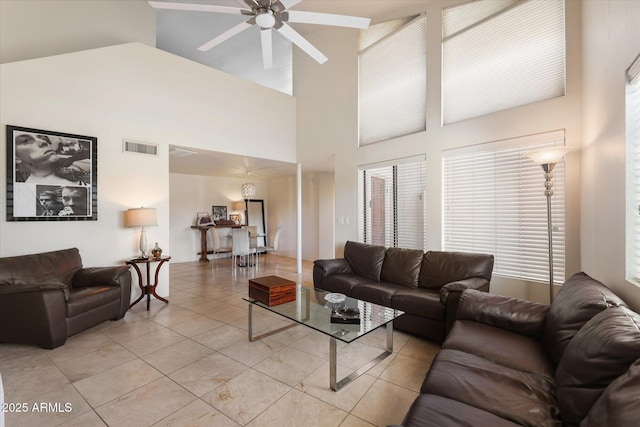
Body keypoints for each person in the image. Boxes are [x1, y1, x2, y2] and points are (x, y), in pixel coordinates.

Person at [14, 133, 90, 185]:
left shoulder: (77, 166)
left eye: (42, 137)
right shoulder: (29, 190)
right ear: (16, 157)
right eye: (26, 141)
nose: (43, 142)